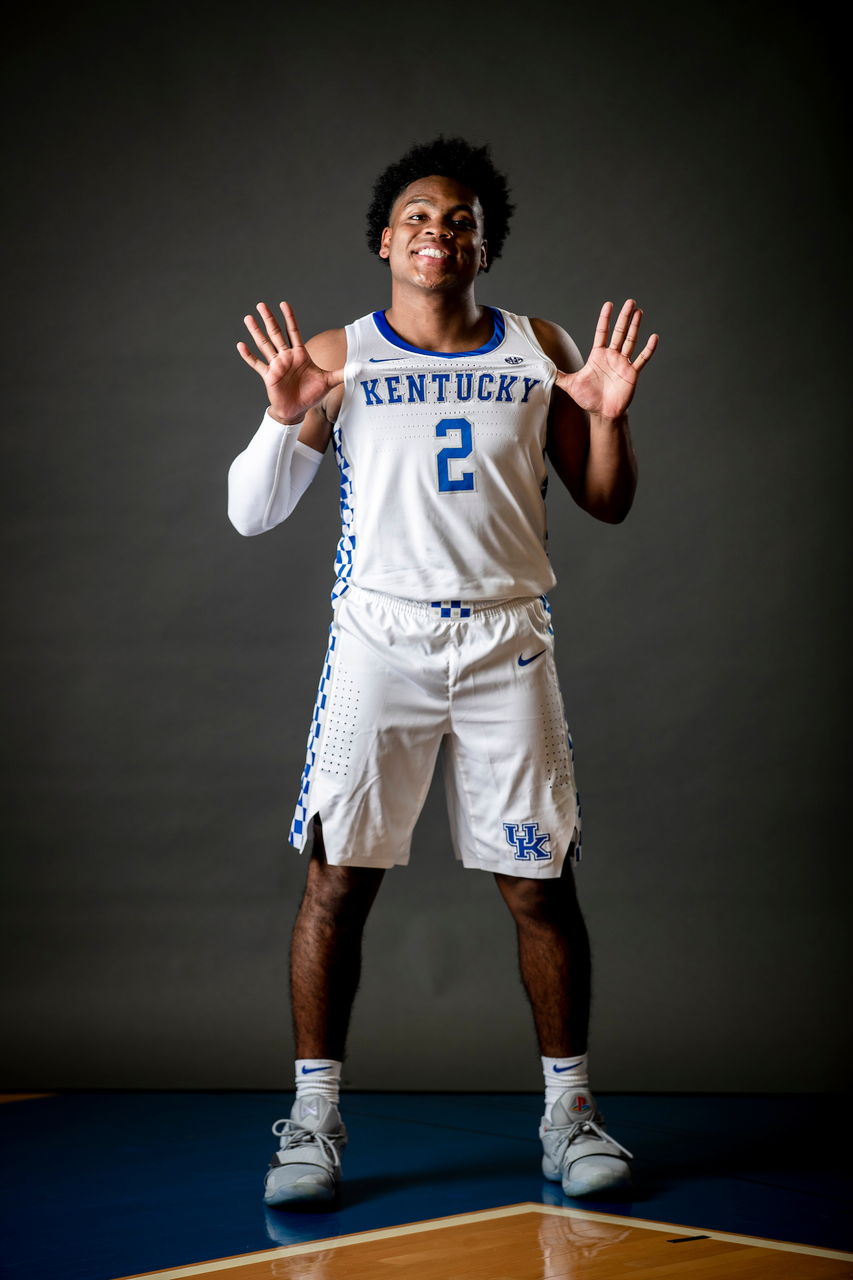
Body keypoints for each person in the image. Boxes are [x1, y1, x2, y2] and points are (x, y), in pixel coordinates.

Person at [227, 136, 657, 1209]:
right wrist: (287, 419)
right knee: (337, 880)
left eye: (459, 218)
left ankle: (570, 1114)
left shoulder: (534, 344)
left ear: (483, 245)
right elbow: (249, 512)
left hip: (507, 637)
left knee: (541, 884)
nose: (438, 231)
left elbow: (606, 500)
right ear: (386, 239)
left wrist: (608, 417)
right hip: (383, 638)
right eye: (418, 216)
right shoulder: (343, 352)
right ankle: (314, 1121)